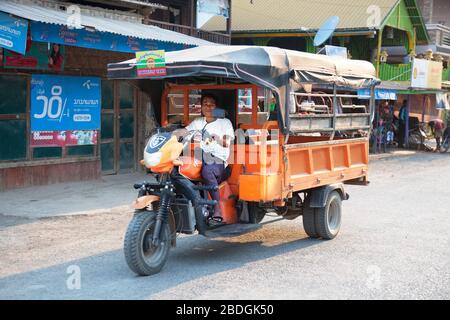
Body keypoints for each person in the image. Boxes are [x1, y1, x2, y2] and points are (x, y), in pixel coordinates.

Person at [175, 94, 234, 226]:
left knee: (207, 171)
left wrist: (216, 138)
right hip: (198, 157)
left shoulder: (224, 122)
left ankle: (217, 209)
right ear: (201, 107)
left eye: (211, 104)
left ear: (216, 107)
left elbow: (227, 142)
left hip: (218, 160)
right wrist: (170, 133)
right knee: (176, 167)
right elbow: (184, 132)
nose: (208, 106)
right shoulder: (198, 122)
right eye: (205, 104)